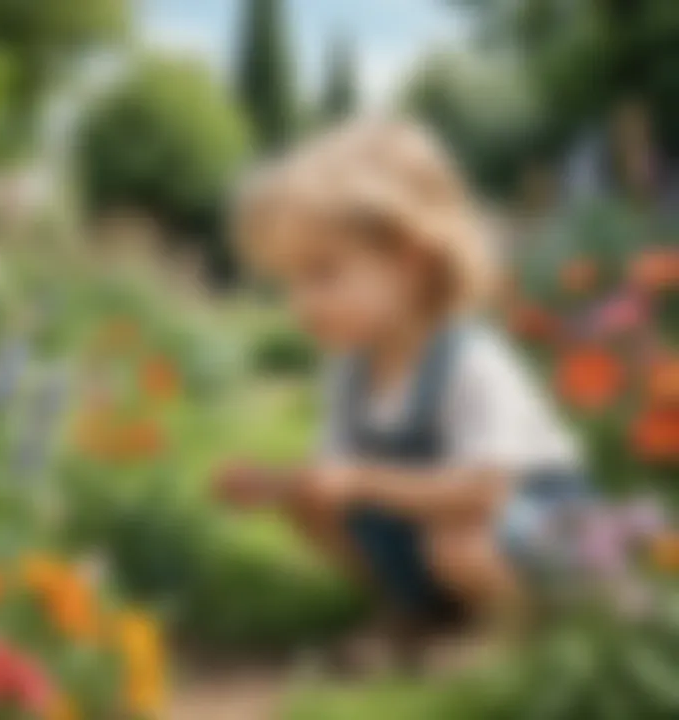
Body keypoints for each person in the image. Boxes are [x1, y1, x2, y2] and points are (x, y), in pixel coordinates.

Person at [215, 120, 587, 648]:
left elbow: (484, 492)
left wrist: (361, 480)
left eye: (322, 274)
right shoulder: (350, 372)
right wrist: (276, 485)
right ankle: (418, 613)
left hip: (533, 532)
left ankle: (513, 635)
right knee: (318, 506)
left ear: (410, 259)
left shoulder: (471, 361)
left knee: (458, 539)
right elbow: (336, 476)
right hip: (435, 530)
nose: (299, 303)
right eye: (289, 281)